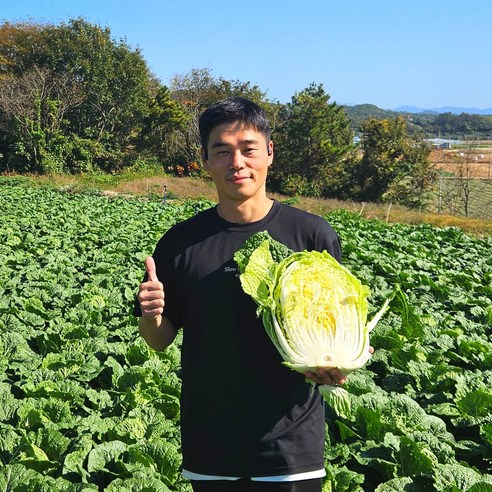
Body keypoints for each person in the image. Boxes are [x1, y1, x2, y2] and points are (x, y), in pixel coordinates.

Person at [134, 97, 346, 492]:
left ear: (269, 152)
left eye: (248, 149)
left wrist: (338, 364)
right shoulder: (179, 244)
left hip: (290, 443)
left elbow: (335, 329)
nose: (237, 163)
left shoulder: (312, 236)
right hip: (210, 441)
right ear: (205, 160)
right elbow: (159, 340)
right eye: (222, 151)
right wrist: (151, 315)